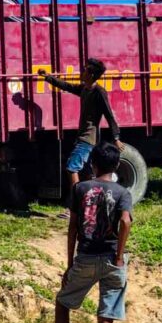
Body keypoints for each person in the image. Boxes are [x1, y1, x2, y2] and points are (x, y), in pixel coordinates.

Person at [52, 142, 133, 323]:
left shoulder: (80, 188)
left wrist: (69, 264)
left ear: (92, 164)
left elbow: (73, 227)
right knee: (105, 318)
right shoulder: (122, 192)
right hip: (111, 259)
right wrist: (119, 255)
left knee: (63, 303)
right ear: (117, 166)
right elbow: (125, 222)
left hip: (86, 257)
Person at [42, 58, 124, 217]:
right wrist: (48, 77)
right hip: (85, 138)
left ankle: (76, 206)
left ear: (91, 74)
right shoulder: (85, 89)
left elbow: (109, 115)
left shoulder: (99, 92)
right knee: (88, 175)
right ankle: (93, 206)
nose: (82, 72)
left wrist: (116, 137)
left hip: (88, 139)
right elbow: (66, 86)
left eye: (85, 69)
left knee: (72, 167)